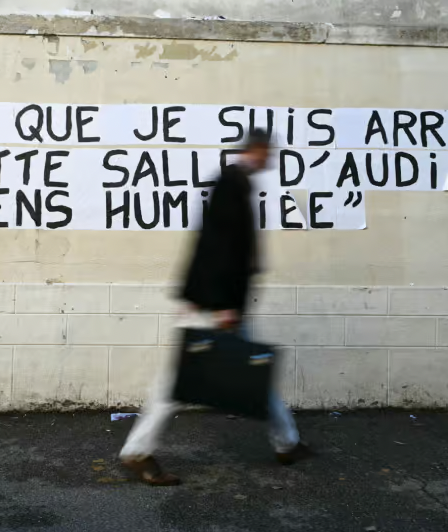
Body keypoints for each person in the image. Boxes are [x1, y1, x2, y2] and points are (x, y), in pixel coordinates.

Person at [119, 129, 312, 486]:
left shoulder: (236, 184)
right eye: (268, 152)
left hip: (217, 303)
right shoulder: (231, 185)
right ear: (256, 151)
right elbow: (218, 248)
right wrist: (221, 306)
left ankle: (288, 442)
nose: (271, 159)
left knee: (252, 372)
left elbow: (214, 246)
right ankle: (136, 452)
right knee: (179, 385)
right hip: (216, 306)